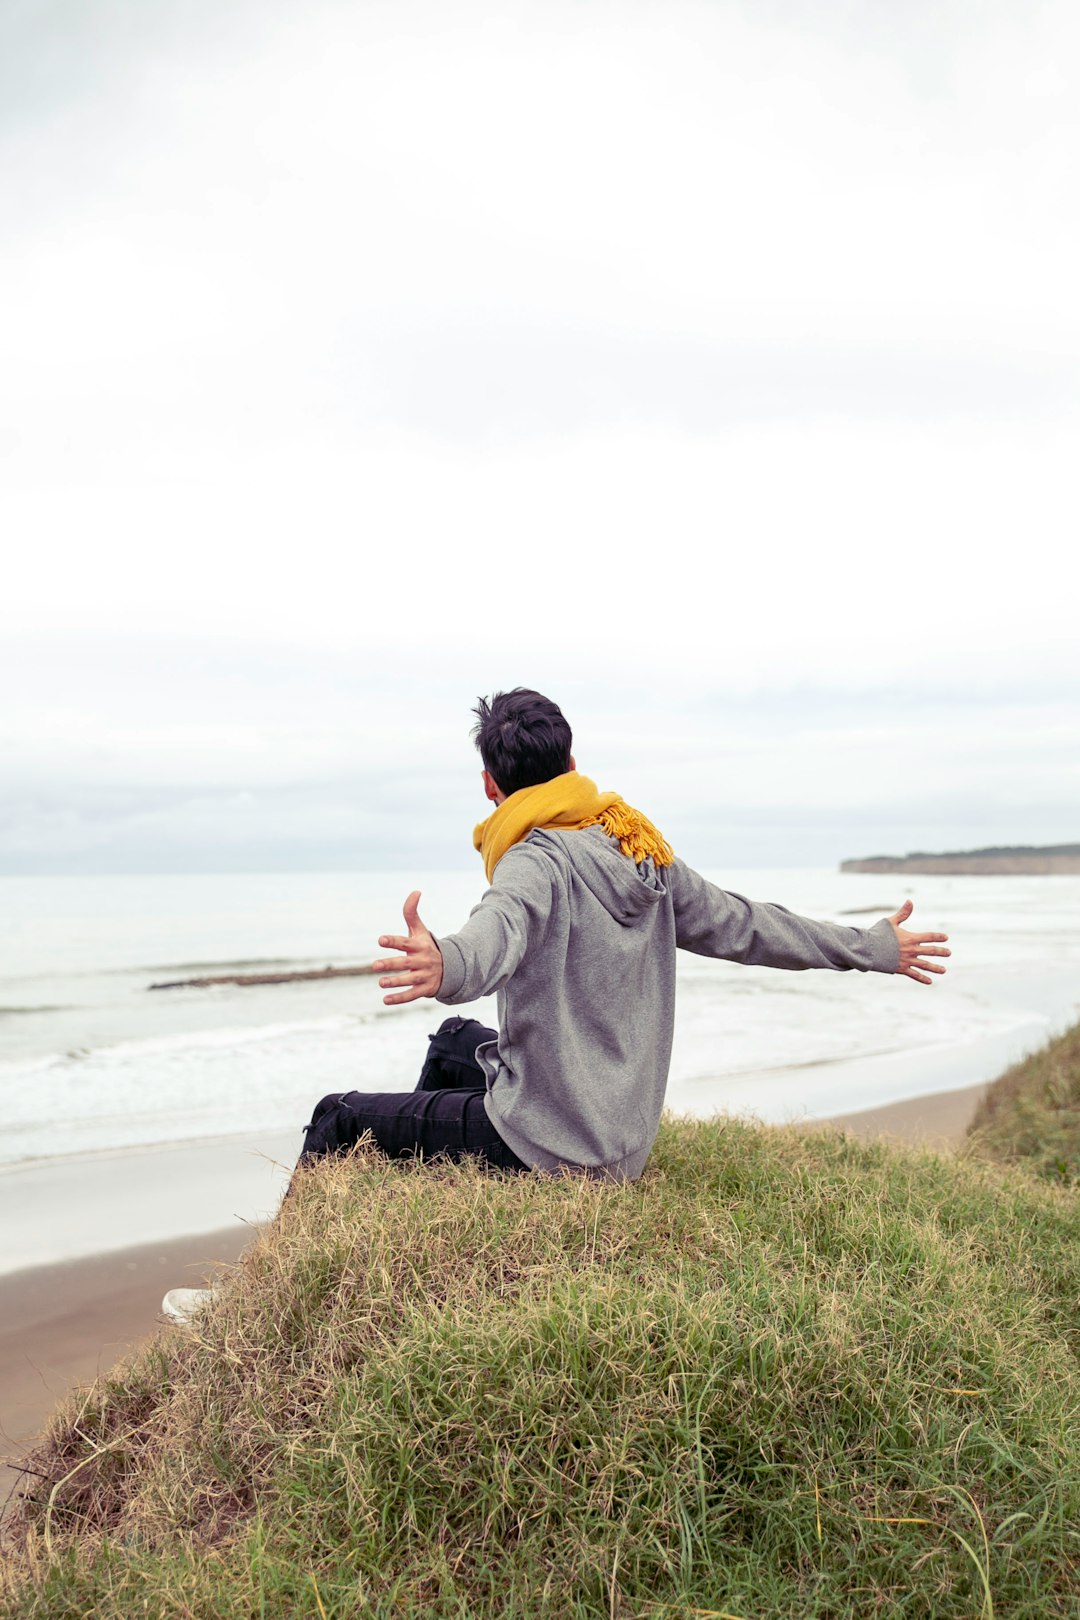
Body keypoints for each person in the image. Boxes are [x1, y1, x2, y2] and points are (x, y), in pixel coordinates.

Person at [296, 688, 950, 1183]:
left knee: (337, 1118)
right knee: (452, 1043)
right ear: (572, 764)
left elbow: (497, 930)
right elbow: (746, 924)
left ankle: (289, 1272)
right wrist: (870, 947)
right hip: (622, 1135)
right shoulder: (638, 847)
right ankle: (432, 1197)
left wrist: (450, 963)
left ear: (490, 785)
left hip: (555, 1147)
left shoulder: (534, 859)